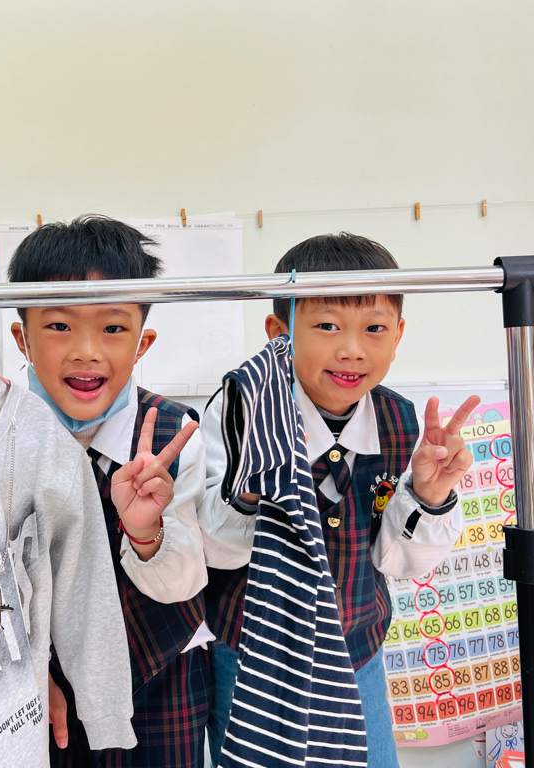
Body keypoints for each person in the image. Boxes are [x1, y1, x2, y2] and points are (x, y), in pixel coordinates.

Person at [199, 232, 478, 767]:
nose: (352, 349)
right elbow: (214, 549)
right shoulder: (241, 408)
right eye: (327, 326)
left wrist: (429, 493)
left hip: (356, 652)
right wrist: (256, 485)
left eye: (374, 328)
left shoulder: (399, 421)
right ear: (280, 334)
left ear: (398, 335)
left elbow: (396, 561)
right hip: (254, 652)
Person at [7, 215, 212, 767]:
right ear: (22, 338)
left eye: (113, 329)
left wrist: (145, 532)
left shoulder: (176, 434)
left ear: (143, 342)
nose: (86, 351)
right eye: (59, 326)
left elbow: (185, 583)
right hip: (32, 692)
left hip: (160, 686)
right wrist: (27, 671)